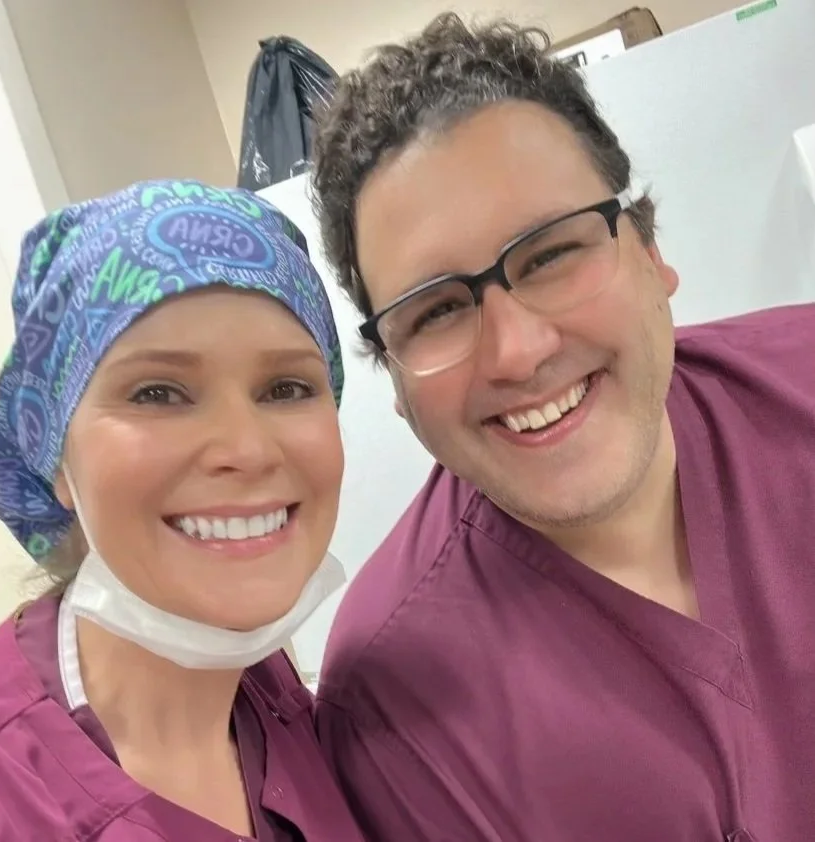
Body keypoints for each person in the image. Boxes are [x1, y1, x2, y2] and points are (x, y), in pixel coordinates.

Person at [309, 12, 815, 842]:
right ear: (393, 382)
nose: (517, 351)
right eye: (434, 310)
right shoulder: (394, 705)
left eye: (548, 255)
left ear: (649, 250)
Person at [0, 178, 366, 841]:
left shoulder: (272, 696)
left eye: (285, 387)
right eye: (158, 393)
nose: (246, 449)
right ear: (54, 454)